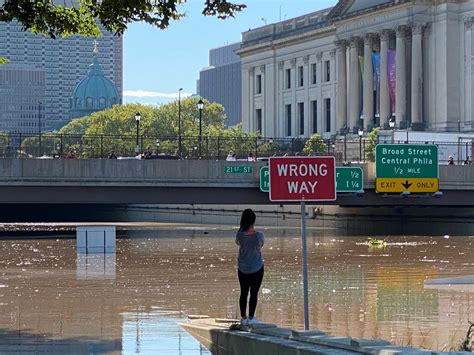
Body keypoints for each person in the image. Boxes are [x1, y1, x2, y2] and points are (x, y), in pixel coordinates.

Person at [236, 209, 264, 326]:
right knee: (254, 293)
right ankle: (251, 318)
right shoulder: (259, 235)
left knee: (243, 292)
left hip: (243, 268)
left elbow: (237, 243)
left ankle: (243, 318)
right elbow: (261, 244)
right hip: (257, 267)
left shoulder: (240, 235)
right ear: (253, 221)